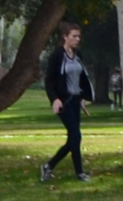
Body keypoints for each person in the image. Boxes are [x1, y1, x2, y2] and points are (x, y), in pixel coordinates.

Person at [39, 23, 96, 182]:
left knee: (73, 138)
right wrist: (55, 99)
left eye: (79, 36)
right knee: (76, 136)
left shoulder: (78, 55)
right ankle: (79, 173)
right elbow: (49, 80)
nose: (77, 39)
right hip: (64, 101)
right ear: (65, 36)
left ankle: (49, 166)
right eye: (74, 36)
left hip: (75, 99)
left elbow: (82, 78)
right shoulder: (57, 55)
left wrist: (84, 97)